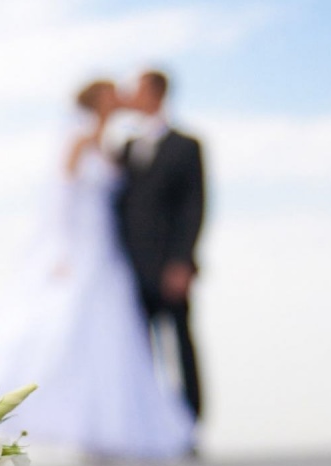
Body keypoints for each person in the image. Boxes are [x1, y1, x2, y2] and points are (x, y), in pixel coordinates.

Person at [0, 79, 194, 460]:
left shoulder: (113, 145)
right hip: (80, 248)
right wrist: (62, 250)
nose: (120, 99)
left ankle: (107, 429)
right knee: (65, 330)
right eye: (112, 95)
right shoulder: (76, 140)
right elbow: (60, 197)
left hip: (109, 251)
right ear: (95, 102)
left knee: (112, 339)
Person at [106, 70, 206, 422]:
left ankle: (191, 422)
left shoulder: (187, 145)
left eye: (138, 90)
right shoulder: (126, 149)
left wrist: (182, 262)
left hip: (169, 267)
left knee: (180, 344)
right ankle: (146, 425)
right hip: (129, 268)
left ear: (157, 94)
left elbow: (194, 207)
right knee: (136, 350)